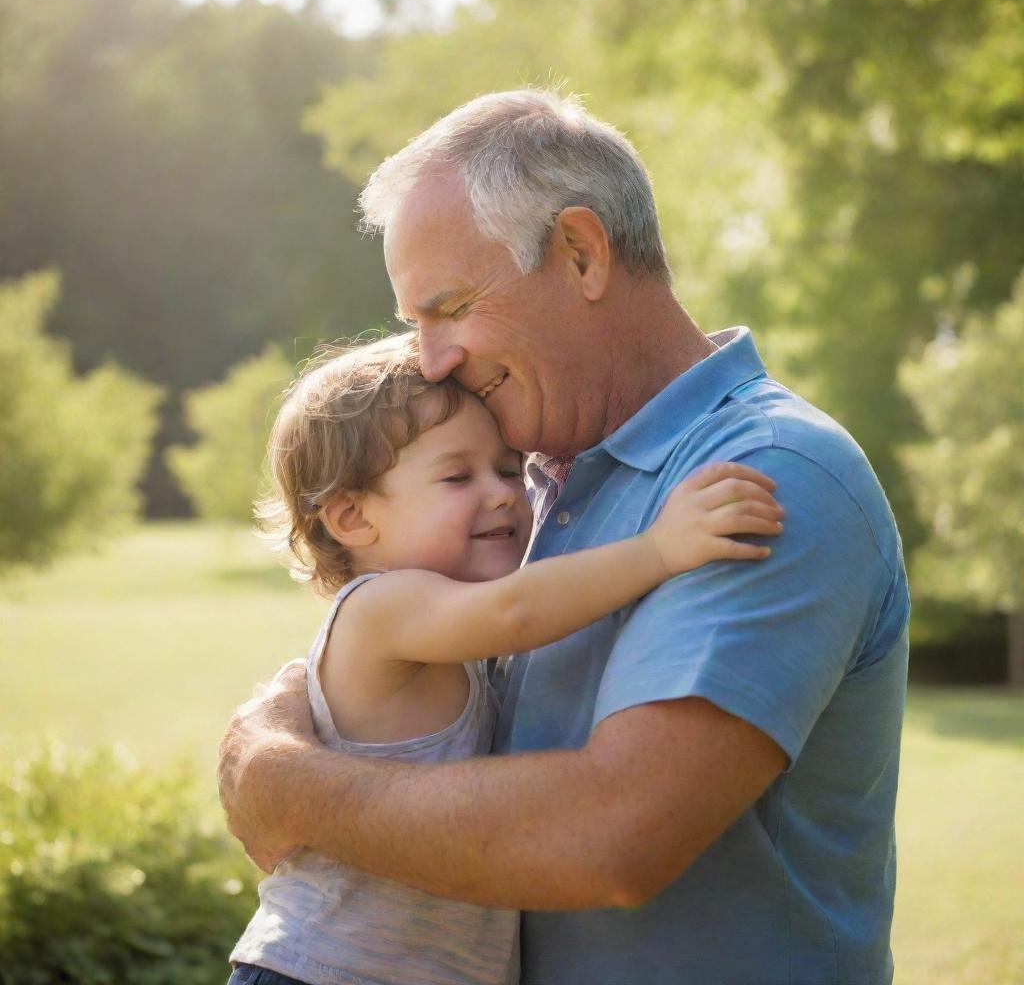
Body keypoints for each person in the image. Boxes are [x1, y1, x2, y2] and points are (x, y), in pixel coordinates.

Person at [219, 88, 910, 985]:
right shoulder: (535, 478)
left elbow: (610, 839)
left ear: (581, 254)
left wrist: (288, 784)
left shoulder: (765, 477)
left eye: (450, 307)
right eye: (412, 324)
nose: (429, 359)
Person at [227, 335, 784, 985]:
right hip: (322, 969)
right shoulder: (384, 608)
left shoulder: (441, 625)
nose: (502, 494)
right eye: (458, 476)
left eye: (508, 467)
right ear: (352, 516)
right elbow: (517, 612)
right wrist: (660, 550)